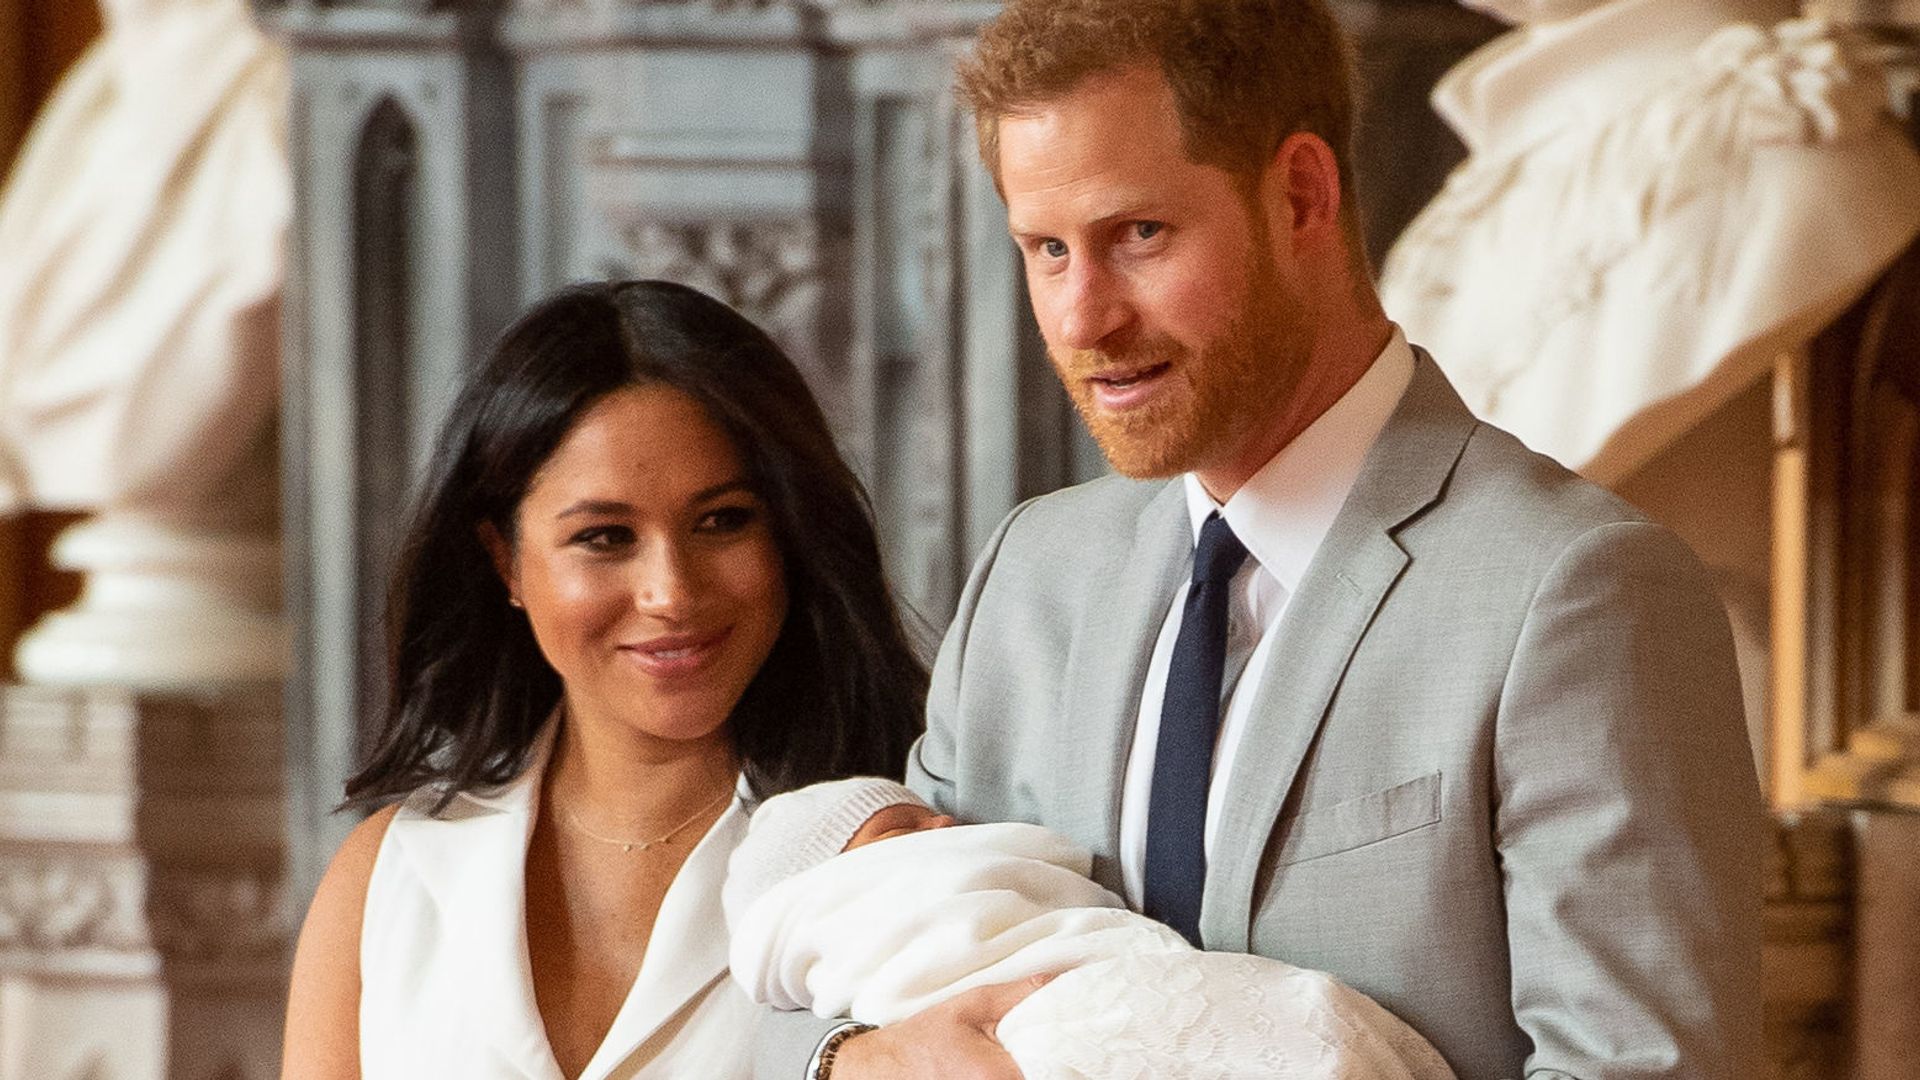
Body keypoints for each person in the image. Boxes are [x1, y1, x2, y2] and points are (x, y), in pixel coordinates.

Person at [755, 1, 1765, 1077]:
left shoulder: (1577, 591)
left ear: (1299, 195)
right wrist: (853, 1063)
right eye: (1047, 249)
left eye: (1137, 235)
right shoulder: (1029, 576)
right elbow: (879, 955)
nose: (1081, 318)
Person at [281, 280, 928, 1080]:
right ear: (504, 560)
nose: (671, 592)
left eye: (723, 520)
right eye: (605, 537)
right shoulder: (388, 877)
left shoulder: (893, 846)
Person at [725, 777, 1457, 1080]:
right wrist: (851, 1059)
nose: (947, 824)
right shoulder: (1022, 570)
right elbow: (789, 1012)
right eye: (907, 830)